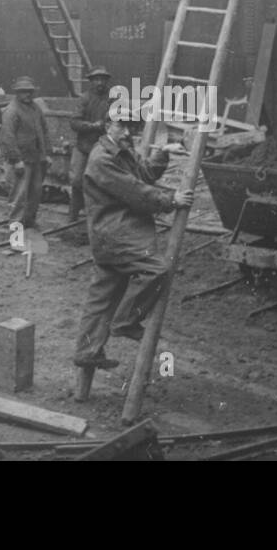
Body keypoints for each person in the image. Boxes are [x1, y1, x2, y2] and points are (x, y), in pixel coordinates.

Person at [73, 103, 193, 371]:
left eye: (132, 127)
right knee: (157, 270)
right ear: (107, 126)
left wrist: (162, 153)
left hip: (113, 234)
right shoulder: (102, 159)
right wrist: (171, 199)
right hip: (116, 235)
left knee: (102, 295)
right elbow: (136, 192)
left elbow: (144, 175)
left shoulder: (120, 151)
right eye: (122, 125)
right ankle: (126, 321)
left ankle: (87, 351)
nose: (128, 132)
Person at [0, 75, 50, 228]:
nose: (27, 94)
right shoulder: (11, 111)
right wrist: (16, 160)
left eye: (29, 91)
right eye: (23, 91)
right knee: (18, 199)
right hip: (22, 161)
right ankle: (15, 238)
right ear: (17, 93)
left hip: (37, 159)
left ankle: (29, 224)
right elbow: (7, 137)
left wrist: (47, 154)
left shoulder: (35, 108)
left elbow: (44, 131)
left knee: (35, 195)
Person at [68, 67, 113, 223]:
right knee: (76, 181)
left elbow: (120, 120)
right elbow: (74, 122)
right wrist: (92, 126)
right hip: (84, 146)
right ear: (91, 82)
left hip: (103, 148)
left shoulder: (112, 99)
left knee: (101, 183)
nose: (100, 83)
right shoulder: (85, 99)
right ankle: (73, 215)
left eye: (103, 79)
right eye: (96, 80)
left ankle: (98, 216)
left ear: (107, 81)